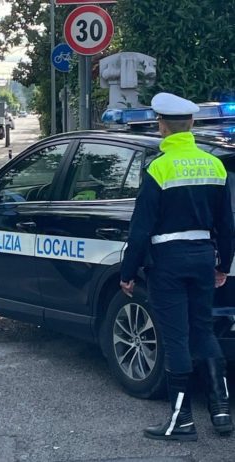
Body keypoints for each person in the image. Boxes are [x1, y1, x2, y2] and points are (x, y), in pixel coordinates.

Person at [120, 92, 235, 441]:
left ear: (162, 126)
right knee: (203, 331)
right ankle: (221, 412)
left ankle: (182, 421)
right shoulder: (214, 165)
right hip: (203, 258)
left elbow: (141, 228)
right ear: (192, 124)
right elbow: (226, 225)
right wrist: (223, 265)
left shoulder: (159, 167)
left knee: (176, 339)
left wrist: (128, 272)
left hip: (168, 261)